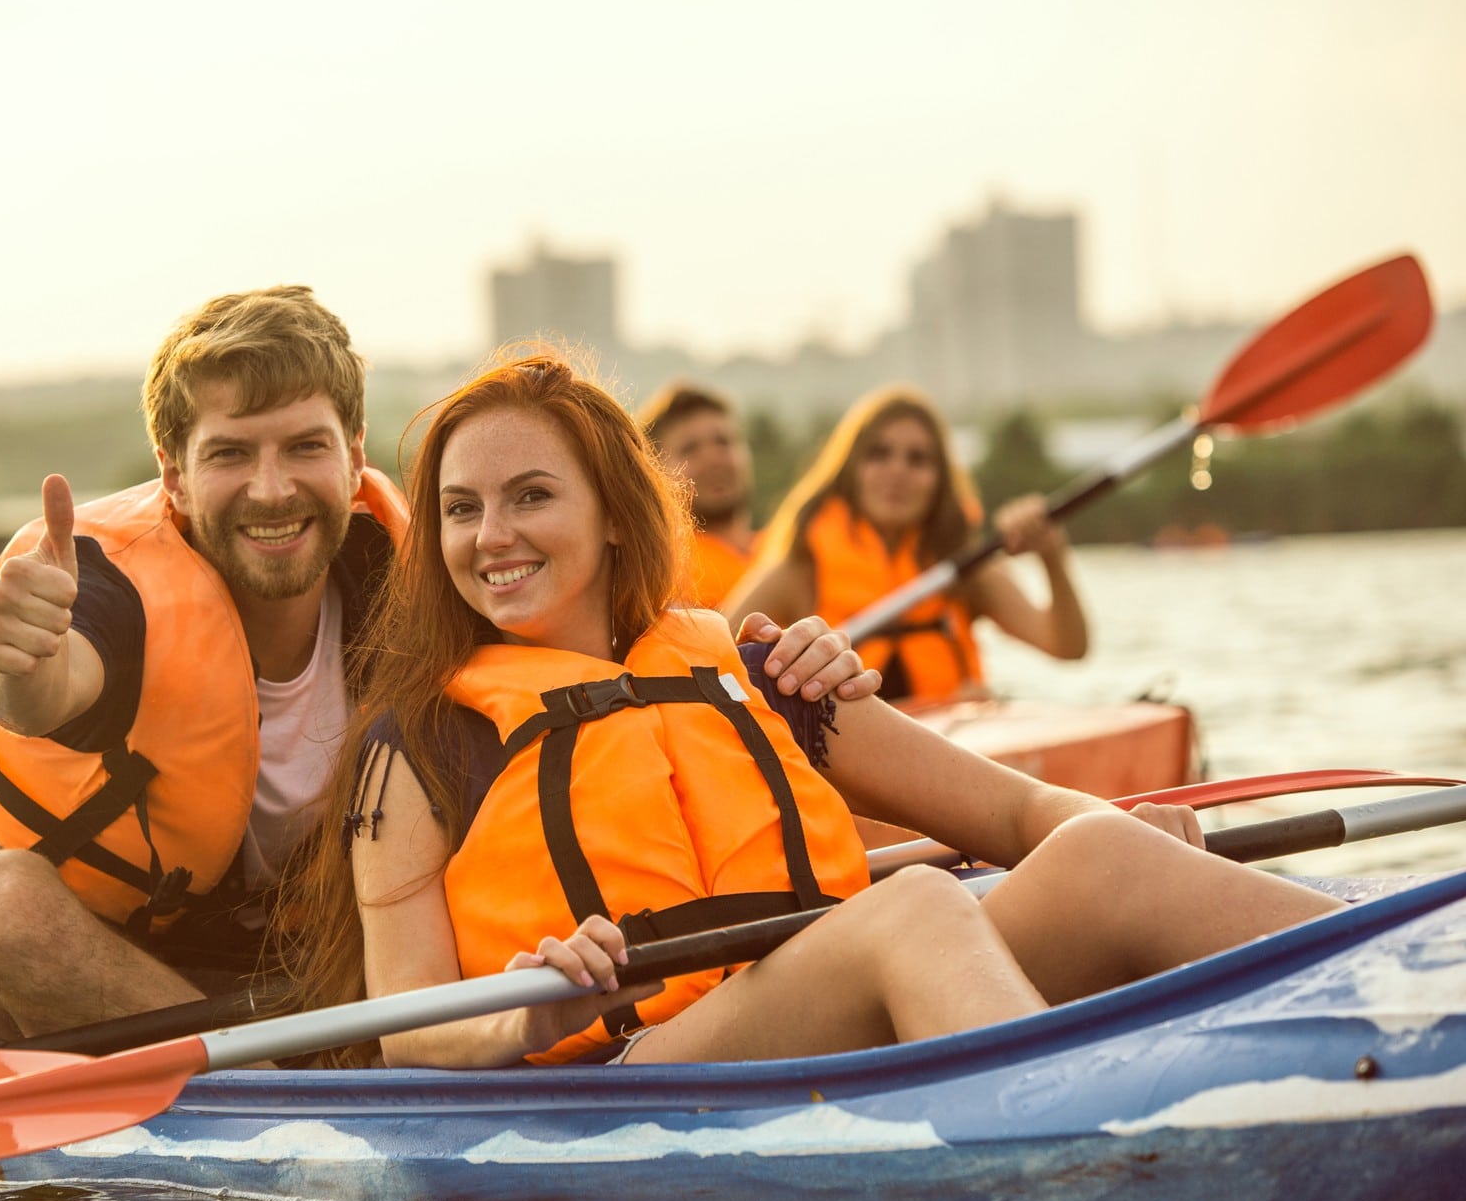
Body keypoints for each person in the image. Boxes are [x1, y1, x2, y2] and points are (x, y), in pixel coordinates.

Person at [283, 350, 1339, 1071]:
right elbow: (404, 1027)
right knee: (919, 906)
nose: (489, 536)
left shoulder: (757, 671)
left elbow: (1019, 818)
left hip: (837, 997)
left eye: (529, 495)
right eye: (460, 509)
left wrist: (1123, 835)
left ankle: (1406, 983)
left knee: (1098, 851)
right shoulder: (414, 746)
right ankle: (1088, 1144)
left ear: (611, 514)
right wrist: (523, 1013)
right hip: (634, 1068)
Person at [0, 289, 880, 1047]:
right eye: (231, 453)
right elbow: (43, 692)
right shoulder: (110, 599)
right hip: (153, 970)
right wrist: (14, 663)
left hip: (362, 963)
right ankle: (287, 1105)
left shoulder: (424, 574)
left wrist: (773, 666)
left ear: (354, 452)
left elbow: (609, 647)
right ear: (173, 475)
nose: (272, 487)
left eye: (304, 447)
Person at [723, 385, 1088, 703]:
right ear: (851, 470)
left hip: (955, 745)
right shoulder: (801, 567)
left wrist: (1052, 559)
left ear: (939, 479)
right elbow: (713, 655)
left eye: (918, 459)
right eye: (879, 454)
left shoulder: (965, 566)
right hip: (842, 764)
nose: (897, 471)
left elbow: (1067, 646)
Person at [637, 381, 757, 608]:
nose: (714, 459)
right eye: (690, 449)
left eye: (724, 441)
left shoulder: (789, 547)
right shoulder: (663, 578)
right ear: (654, 473)